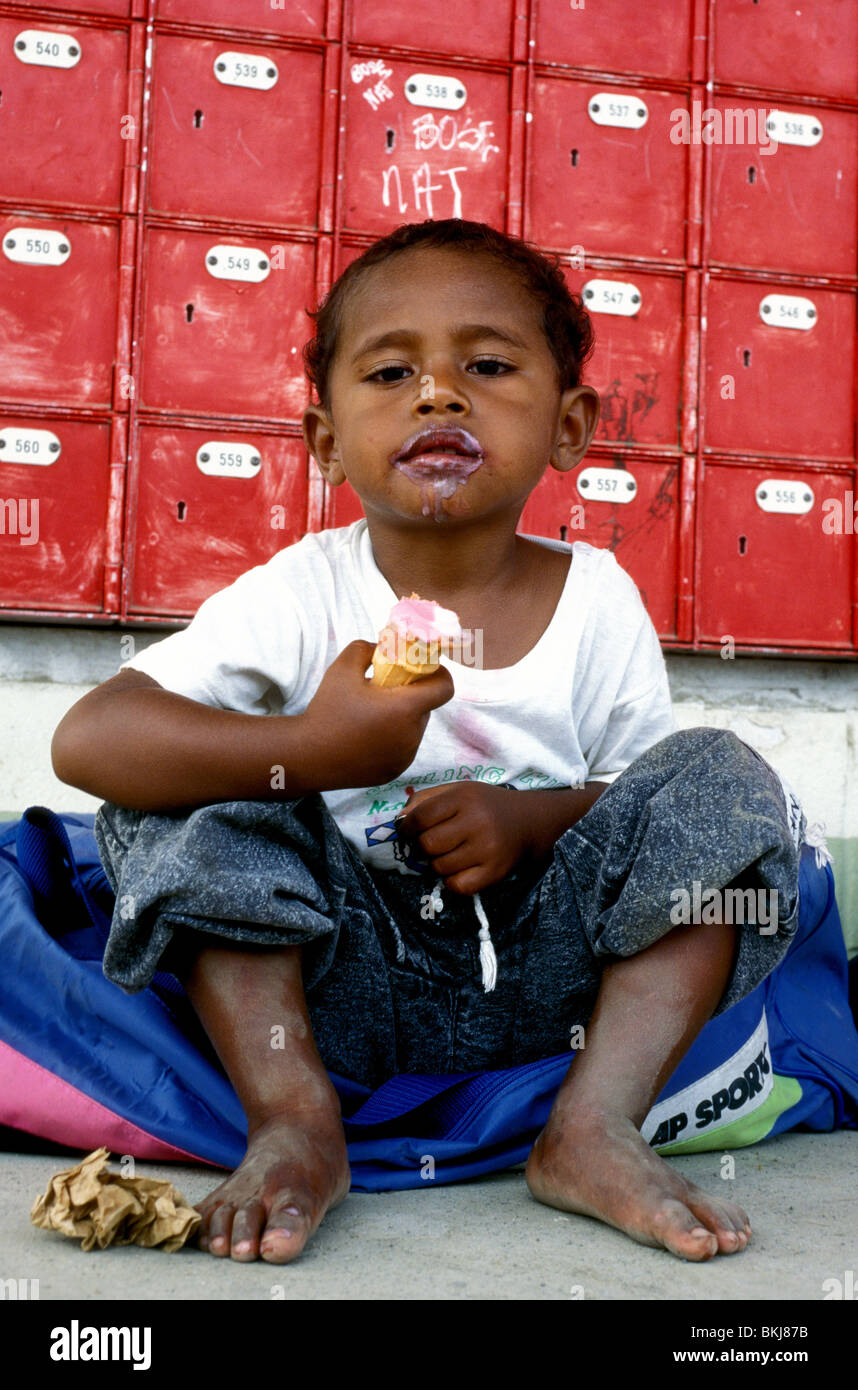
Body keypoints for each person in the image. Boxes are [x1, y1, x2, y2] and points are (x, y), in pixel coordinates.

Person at [51, 218, 806, 1267]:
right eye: (393, 368)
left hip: (554, 987)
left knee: (725, 773)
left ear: (571, 423)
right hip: (338, 973)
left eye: (487, 366)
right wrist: (310, 747)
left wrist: (532, 819)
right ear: (325, 440)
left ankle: (594, 1124)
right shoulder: (301, 591)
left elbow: (639, 803)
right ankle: (295, 1120)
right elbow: (92, 741)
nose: (439, 393)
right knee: (174, 792)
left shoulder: (596, 600)